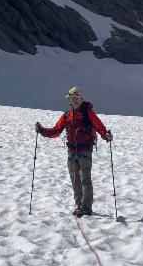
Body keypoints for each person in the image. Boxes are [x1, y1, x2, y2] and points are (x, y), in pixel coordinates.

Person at [35, 86, 113, 217]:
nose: (75, 100)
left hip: (85, 150)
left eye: (77, 98)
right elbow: (56, 130)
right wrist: (42, 130)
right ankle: (79, 205)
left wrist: (106, 135)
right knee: (75, 179)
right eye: (72, 98)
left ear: (81, 99)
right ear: (70, 100)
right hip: (72, 151)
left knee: (85, 180)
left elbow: (98, 125)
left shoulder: (88, 112)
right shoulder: (66, 115)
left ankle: (86, 208)